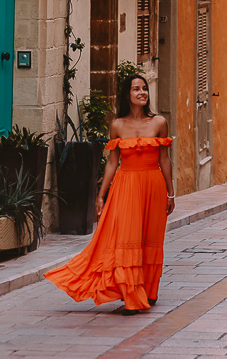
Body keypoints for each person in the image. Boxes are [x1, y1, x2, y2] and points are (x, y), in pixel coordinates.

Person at [45, 74, 174, 312]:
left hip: (153, 184)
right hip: (126, 185)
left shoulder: (159, 123)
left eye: (144, 89)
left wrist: (170, 192)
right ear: (127, 95)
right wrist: (100, 194)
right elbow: (112, 162)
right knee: (128, 238)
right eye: (136, 89)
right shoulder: (117, 125)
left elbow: (164, 160)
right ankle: (131, 293)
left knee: (151, 237)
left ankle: (149, 289)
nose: (142, 93)